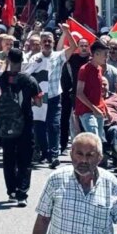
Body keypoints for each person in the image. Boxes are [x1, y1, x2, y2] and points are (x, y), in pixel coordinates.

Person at [32, 132, 117, 234]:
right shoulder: (56, 179)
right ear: (71, 154)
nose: (84, 160)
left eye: (90, 155)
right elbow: (43, 219)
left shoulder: (111, 183)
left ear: (99, 158)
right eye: (79, 154)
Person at [23, 25, 76, 169]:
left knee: (54, 126)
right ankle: (45, 153)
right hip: (39, 98)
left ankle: (54, 155)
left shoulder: (59, 56)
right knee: (39, 127)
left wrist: (66, 32)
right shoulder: (34, 58)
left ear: (53, 42)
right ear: (40, 43)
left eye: (49, 41)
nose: (47, 43)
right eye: (44, 41)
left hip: (53, 97)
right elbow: (27, 75)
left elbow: (73, 46)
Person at [0, 48, 41, 206]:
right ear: (22, 61)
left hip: (6, 124)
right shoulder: (29, 79)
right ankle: (22, 193)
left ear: (9, 60)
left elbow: (1, 70)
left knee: (8, 158)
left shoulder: (3, 78)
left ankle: (11, 192)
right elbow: (38, 102)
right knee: (25, 159)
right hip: (25, 123)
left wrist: (5, 61)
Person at [75, 40, 110, 141]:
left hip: (99, 109)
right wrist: (94, 108)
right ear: (96, 54)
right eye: (105, 54)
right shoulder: (84, 69)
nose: (107, 57)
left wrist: (105, 108)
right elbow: (79, 93)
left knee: (99, 142)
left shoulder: (99, 69)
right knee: (94, 139)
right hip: (87, 110)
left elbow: (98, 92)